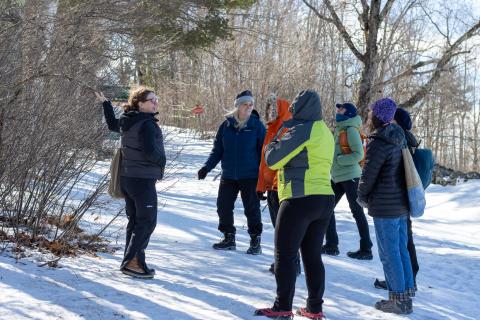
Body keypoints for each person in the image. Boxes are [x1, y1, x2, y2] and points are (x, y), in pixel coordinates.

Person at [255, 90, 335, 320]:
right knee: (312, 255)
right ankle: (314, 308)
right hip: (324, 198)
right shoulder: (325, 131)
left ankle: (282, 306)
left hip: (300, 197)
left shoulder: (302, 129)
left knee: (285, 252)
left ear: (298, 109)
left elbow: (273, 159)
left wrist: (276, 138)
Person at [96, 87, 166, 279]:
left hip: (128, 179)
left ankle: (132, 261)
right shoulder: (146, 123)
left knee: (136, 221)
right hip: (142, 180)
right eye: (151, 100)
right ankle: (133, 263)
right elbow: (150, 152)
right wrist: (162, 161)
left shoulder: (129, 121)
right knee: (147, 221)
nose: (155, 103)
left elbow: (111, 124)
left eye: (156, 99)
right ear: (140, 103)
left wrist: (106, 104)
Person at [357, 98, 415, 314]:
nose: (369, 116)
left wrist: (361, 197)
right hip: (400, 204)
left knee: (389, 253)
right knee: (401, 250)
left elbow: (368, 176)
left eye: (371, 112)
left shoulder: (379, 142)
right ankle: (406, 294)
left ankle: (398, 300)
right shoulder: (399, 137)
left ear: (378, 116)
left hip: (385, 206)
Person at [198, 90, 266, 255]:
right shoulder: (226, 126)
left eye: (251, 104)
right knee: (223, 206)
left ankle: (255, 240)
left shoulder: (256, 125)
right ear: (237, 106)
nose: (249, 107)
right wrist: (207, 167)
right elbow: (217, 151)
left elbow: (264, 154)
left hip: (250, 176)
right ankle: (229, 238)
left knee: (252, 208)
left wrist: (264, 180)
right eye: (245, 104)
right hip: (228, 175)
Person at [374, 107, 419, 290]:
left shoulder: (400, 139)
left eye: (392, 119)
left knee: (400, 247)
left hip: (396, 200)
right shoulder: (407, 139)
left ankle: (404, 284)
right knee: (403, 245)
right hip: (403, 198)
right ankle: (404, 283)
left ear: (397, 122)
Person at [256, 93, 301, 276]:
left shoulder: (286, 130)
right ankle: (284, 262)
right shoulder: (271, 129)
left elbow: (280, 160)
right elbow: (264, 162)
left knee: (285, 231)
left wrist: (273, 186)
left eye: (273, 109)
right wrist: (261, 186)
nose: (270, 112)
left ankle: (289, 264)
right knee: (279, 229)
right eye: (268, 109)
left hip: (281, 187)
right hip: (272, 187)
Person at [322, 102, 373, 260]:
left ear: (349, 113)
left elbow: (359, 154)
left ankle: (366, 249)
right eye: (337, 108)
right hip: (338, 177)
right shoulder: (340, 129)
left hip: (351, 176)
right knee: (326, 207)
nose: (338, 110)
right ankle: (331, 245)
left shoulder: (350, 129)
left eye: (341, 109)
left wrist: (338, 160)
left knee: (357, 212)